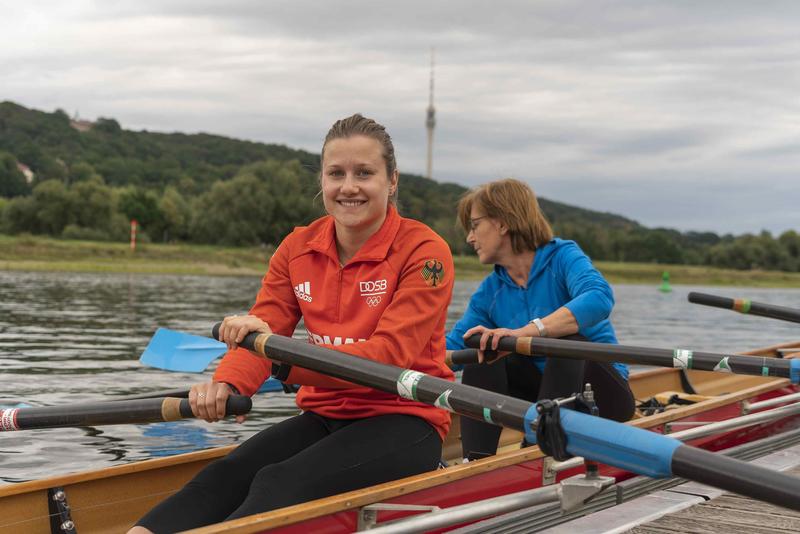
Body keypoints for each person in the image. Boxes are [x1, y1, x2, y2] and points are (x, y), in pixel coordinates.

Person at [130, 114, 455, 533]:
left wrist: (281, 363)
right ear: (322, 181)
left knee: (277, 481)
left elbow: (386, 359)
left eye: (365, 173)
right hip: (325, 413)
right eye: (336, 173)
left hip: (406, 419)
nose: (348, 186)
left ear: (392, 181)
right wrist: (227, 385)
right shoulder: (298, 246)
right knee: (220, 478)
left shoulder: (424, 251)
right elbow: (266, 325)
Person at [446, 178, 634, 461]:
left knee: (564, 342)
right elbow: (449, 348)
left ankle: (539, 448)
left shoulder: (562, 257)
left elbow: (598, 297)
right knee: (481, 350)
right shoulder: (490, 291)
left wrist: (527, 332)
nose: (469, 238)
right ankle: (475, 461)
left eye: (474, 226)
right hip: (541, 400)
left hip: (601, 398)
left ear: (501, 223)